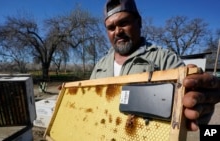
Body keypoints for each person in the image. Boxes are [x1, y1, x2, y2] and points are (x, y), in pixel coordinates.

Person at [90, 0, 220, 131]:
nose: (118, 31)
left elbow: (191, 102)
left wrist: (201, 102)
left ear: (138, 22)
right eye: (111, 28)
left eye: (123, 23)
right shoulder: (100, 65)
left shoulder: (165, 59)